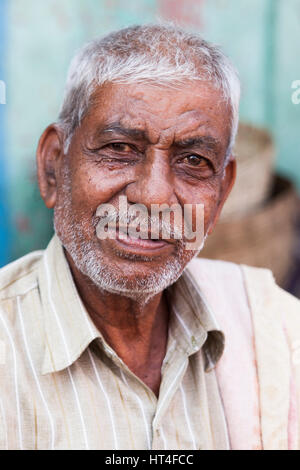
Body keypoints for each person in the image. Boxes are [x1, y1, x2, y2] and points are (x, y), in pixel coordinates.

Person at [0, 24, 299, 450]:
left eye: (194, 160)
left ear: (221, 195)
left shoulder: (275, 332)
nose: (154, 195)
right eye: (119, 148)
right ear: (53, 167)